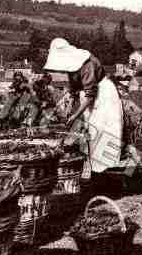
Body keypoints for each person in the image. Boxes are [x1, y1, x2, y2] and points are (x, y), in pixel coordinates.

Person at [43, 38, 123, 175]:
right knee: (92, 134)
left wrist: (74, 115)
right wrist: (61, 108)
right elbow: (73, 90)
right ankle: (97, 173)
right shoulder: (72, 66)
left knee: (106, 133)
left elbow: (90, 95)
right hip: (88, 97)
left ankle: (109, 174)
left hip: (104, 96)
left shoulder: (87, 63)